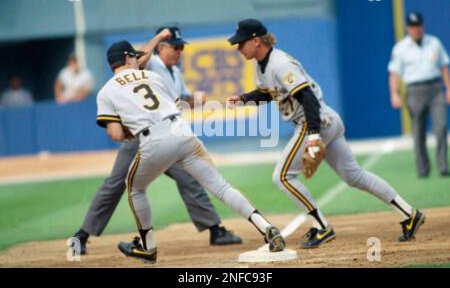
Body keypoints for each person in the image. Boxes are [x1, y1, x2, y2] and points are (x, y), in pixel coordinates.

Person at [226, 19, 425, 249]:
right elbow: (269, 93)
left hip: (314, 120)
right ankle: (409, 214)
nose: (238, 48)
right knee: (354, 176)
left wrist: (312, 135)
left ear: (256, 41)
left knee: (282, 177)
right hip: (327, 119)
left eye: (241, 43)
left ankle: (322, 227)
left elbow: (307, 97)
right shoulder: (262, 65)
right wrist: (244, 99)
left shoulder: (280, 64)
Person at [95, 39, 285, 262]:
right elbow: (175, 105)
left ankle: (148, 247)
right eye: (136, 57)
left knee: (135, 188)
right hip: (182, 132)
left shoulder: (106, 91)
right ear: (127, 58)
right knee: (221, 187)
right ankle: (266, 227)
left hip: (153, 139)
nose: (139, 60)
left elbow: (116, 134)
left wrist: (131, 129)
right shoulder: (153, 76)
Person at [72, 28, 241, 256]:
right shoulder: (149, 66)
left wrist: (198, 101)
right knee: (116, 183)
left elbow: (177, 100)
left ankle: (215, 230)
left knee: (189, 179)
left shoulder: (174, 72)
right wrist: (159, 37)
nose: (179, 51)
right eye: (175, 46)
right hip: (140, 138)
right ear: (161, 49)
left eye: (181, 47)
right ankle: (82, 235)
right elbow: (138, 56)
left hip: (167, 134)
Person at [388, 12, 450, 178]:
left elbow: (444, 66)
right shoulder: (400, 48)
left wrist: (448, 88)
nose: (416, 30)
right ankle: (423, 169)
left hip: (435, 87)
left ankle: (443, 166)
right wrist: (395, 94)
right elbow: (394, 73)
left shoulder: (434, 42)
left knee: (441, 127)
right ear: (408, 28)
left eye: (419, 26)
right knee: (418, 131)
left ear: (423, 26)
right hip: (414, 90)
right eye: (413, 27)